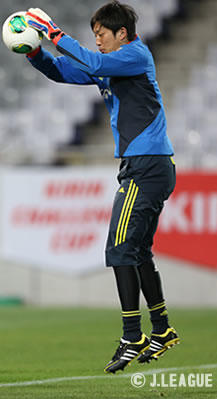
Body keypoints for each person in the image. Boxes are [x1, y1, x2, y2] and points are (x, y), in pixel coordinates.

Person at [23, 1, 179, 374]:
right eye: (95, 36)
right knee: (137, 251)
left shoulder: (135, 55)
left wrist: (54, 31)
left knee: (119, 248)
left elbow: (91, 63)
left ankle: (132, 336)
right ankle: (161, 329)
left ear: (121, 33)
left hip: (146, 167)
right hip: (147, 165)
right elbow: (63, 70)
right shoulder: (111, 65)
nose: (98, 42)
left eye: (101, 35)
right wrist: (35, 52)